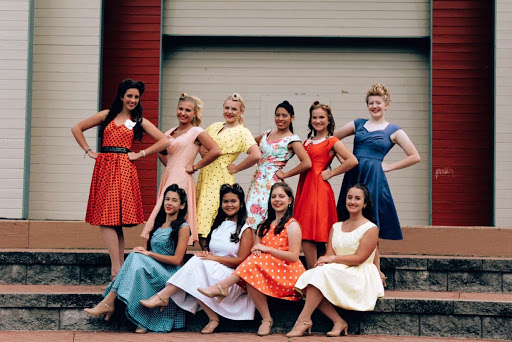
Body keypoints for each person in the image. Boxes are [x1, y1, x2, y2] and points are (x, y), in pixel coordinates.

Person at [71, 79, 170, 280]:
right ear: (122, 96)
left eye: (136, 97)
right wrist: (89, 151)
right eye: (129, 96)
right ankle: (119, 268)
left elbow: (165, 140)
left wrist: (141, 153)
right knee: (109, 218)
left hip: (124, 167)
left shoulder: (137, 119)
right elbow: (77, 128)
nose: (133, 100)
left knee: (112, 219)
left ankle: (116, 269)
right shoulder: (107, 115)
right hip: (105, 165)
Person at [334, 84, 421, 285]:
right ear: (367, 105)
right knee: (348, 218)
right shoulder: (358, 124)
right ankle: (348, 265)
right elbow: (332, 139)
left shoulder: (394, 130)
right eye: (371, 103)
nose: (375, 106)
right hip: (354, 175)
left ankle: (376, 270)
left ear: (386, 105)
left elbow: (415, 156)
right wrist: (343, 160)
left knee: (370, 221)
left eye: (378, 103)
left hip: (374, 177)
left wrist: (389, 166)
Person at [139, 183, 255, 334]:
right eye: (225, 201)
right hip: (213, 272)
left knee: (194, 265)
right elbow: (213, 254)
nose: (229, 205)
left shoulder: (246, 230)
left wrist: (212, 258)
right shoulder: (218, 226)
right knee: (195, 265)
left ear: (241, 204)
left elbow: (241, 261)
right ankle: (212, 318)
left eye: (233, 201)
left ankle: (164, 296)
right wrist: (207, 255)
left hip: (231, 280)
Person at [198, 182, 306, 336]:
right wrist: (259, 251)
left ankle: (222, 286)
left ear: (290, 200)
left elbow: (294, 256)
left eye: (282, 196)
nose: (277, 200)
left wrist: (267, 249)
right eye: (274, 196)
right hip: (266, 269)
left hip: (287, 271)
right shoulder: (264, 225)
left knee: (251, 266)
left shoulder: (292, 225)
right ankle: (266, 319)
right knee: (251, 269)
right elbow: (256, 251)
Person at [83, 184, 191, 333]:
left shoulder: (183, 227)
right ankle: (142, 321)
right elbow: (148, 252)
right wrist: (144, 251)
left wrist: (149, 254)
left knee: (135, 257)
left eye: (174, 200)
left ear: (182, 205)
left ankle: (109, 301)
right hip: (155, 269)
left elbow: (177, 260)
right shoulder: (158, 225)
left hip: (170, 275)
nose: (169, 203)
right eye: (167, 199)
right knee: (137, 265)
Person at [287, 183, 385, 337]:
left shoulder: (370, 228)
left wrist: (331, 259)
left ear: (364, 203)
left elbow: (359, 258)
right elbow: (328, 253)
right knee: (311, 277)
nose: (352, 202)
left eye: (357, 199)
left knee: (316, 276)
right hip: (339, 269)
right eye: (349, 197)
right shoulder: (336, 226)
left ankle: (303, 319)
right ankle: (337, 321)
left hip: (359, 272)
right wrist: (324, 261)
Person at [141, 93, 221, 244]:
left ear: (195, 113)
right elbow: (161, 151)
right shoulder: (169, 132)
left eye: (188, 110)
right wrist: (171, 166)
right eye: (180, 109)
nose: (183, 113)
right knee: (164, 210)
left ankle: (176, 248)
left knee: (177, 210)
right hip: (169, 174)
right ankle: (161, 244)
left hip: (183, 176)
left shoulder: (197, 132)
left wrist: (195, 166)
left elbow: (215, 151)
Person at [294, 101, 358, 270]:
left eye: (321, 117)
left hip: (319, 189)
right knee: (307, 230)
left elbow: (352, 160)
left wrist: (331, 173)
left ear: (328, 119)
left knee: (313, 232)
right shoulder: (307, 141)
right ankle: (318, 272)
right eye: (314, 117)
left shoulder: (332, 141)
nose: (318, 121)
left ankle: (314, 271)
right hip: (305, 187)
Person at [196, 93, 261, 249]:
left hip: (221, 176)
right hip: (206, 174)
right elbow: (200, 143)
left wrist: (237, 167)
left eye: (234, 109)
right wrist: (205, 157)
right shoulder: (215, 126)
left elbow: (256, 154)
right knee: (200, 215)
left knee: (212, 215)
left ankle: (214, 253)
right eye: (227, 108)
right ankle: (206, 254)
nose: (229, 112)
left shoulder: (242, 132)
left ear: (241, 112)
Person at [246, 101, 311, 228]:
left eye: (284, 115)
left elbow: (307, 163)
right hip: (257, 180)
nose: (280, 119)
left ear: (292, 118)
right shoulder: (267, 133)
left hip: (272, 181)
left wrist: (286, 174)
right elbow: (248, 144)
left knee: (265, 215)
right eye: (277, 115)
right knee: (250, 214)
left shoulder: (292, 139)